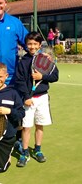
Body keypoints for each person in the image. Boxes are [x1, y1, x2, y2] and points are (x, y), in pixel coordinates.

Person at [15, 31, 59, 167]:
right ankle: (25, 152)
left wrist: (42, 77)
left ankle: (38, 150)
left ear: (40, 45)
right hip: (28, 100)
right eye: (29, 44)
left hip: (42, 98)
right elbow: (19, 81)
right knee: (26, 127)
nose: (32, 46)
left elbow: (55, 76)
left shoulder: (45, 59)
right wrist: (26, 97)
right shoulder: (23, 62)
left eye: (35, 44)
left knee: (39, 125)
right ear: (25, 45)